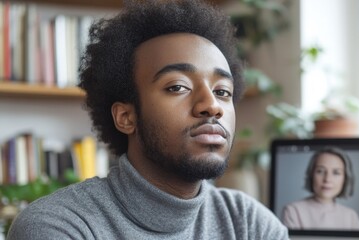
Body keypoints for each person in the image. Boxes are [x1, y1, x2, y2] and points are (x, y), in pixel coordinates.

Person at [7, 0, 289, 239]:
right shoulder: (60, 226)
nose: (211, 106)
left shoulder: (250, 224)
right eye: (178, 87)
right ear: (126, 117)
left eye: (222, 91)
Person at [282, 147, 359, 230]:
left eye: (336, 173)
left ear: (345, 178)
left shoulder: (351, 216)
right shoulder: (293, 211)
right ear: (311, 175)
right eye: (320, 171)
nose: (327, 179)